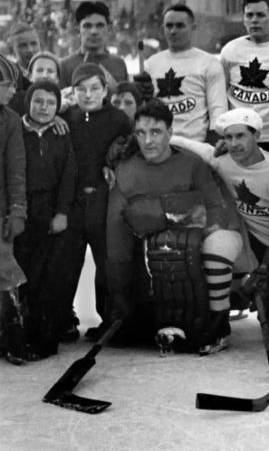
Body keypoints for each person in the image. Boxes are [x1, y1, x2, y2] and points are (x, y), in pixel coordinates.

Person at [106, 99, 243, 354]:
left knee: (212, 242)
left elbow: (215, 207)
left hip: (192, 255)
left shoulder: (192, 164)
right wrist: (120, 295)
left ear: (170, 132)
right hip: (149, 264)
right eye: (141, 133)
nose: (148, 141)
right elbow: (116, 240)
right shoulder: (125, 170)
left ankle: (218, 320)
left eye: (156, 132)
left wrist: (166, 214)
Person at [170, 108, 269, 345]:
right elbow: (184, 143)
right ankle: (221, 318)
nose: (234, 144)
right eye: (228, 137)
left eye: (241, 136)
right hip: (253, 246)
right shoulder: (222, 161)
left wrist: (264, 271)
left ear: (257, 136)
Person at [59, 63, 133, 342]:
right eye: (81, 89)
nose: (88, 95)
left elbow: (128, 148)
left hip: (104, 198)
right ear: (73, 91)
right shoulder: (67, 117)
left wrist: (111, 162)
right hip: (75, 201)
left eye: (94, 89)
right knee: (67, 262)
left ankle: (111, 321)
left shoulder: (118, 119)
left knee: (106, 264)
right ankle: (63, 319)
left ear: (105, 90)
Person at [13, 80, 76, 359]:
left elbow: (68, 175)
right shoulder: (17, 129)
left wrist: (62, 211)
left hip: (50, 211)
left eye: (51, 103)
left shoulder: (61, 134)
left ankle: (45, 339)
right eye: (38, 101)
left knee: (48, 278)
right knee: (23, 276)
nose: (44, 108)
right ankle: (19, 336)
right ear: (28, 102)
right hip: (23, 209)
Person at [140, 4, 228, 142]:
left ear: (193, 27)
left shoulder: (209, 63)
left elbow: (218, 108)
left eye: (180, 26)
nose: (173, 31)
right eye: (169, 26)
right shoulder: (151, 64)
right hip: (160, 146)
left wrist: (213, 144)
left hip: (195, 146)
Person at [221, 0, 269, 153]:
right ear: (244, 18)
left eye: (261, 15)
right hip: (238, 134)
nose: (254, 20)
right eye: (250, 15)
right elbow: (221, 95)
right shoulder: (230, 50)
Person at [0, 56, 27, 364]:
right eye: (8, 86)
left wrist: (17, 210)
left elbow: (16, 169)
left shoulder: (10, 121)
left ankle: (13, 336)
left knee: (6, 274)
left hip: (2, 211)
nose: (13, 92)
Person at [59, 1, 128, 88]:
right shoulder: (65, 66)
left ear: (109, 29)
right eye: (87, 26)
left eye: (100, 25)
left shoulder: (118, 64)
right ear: (78, 30)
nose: (94, 31)